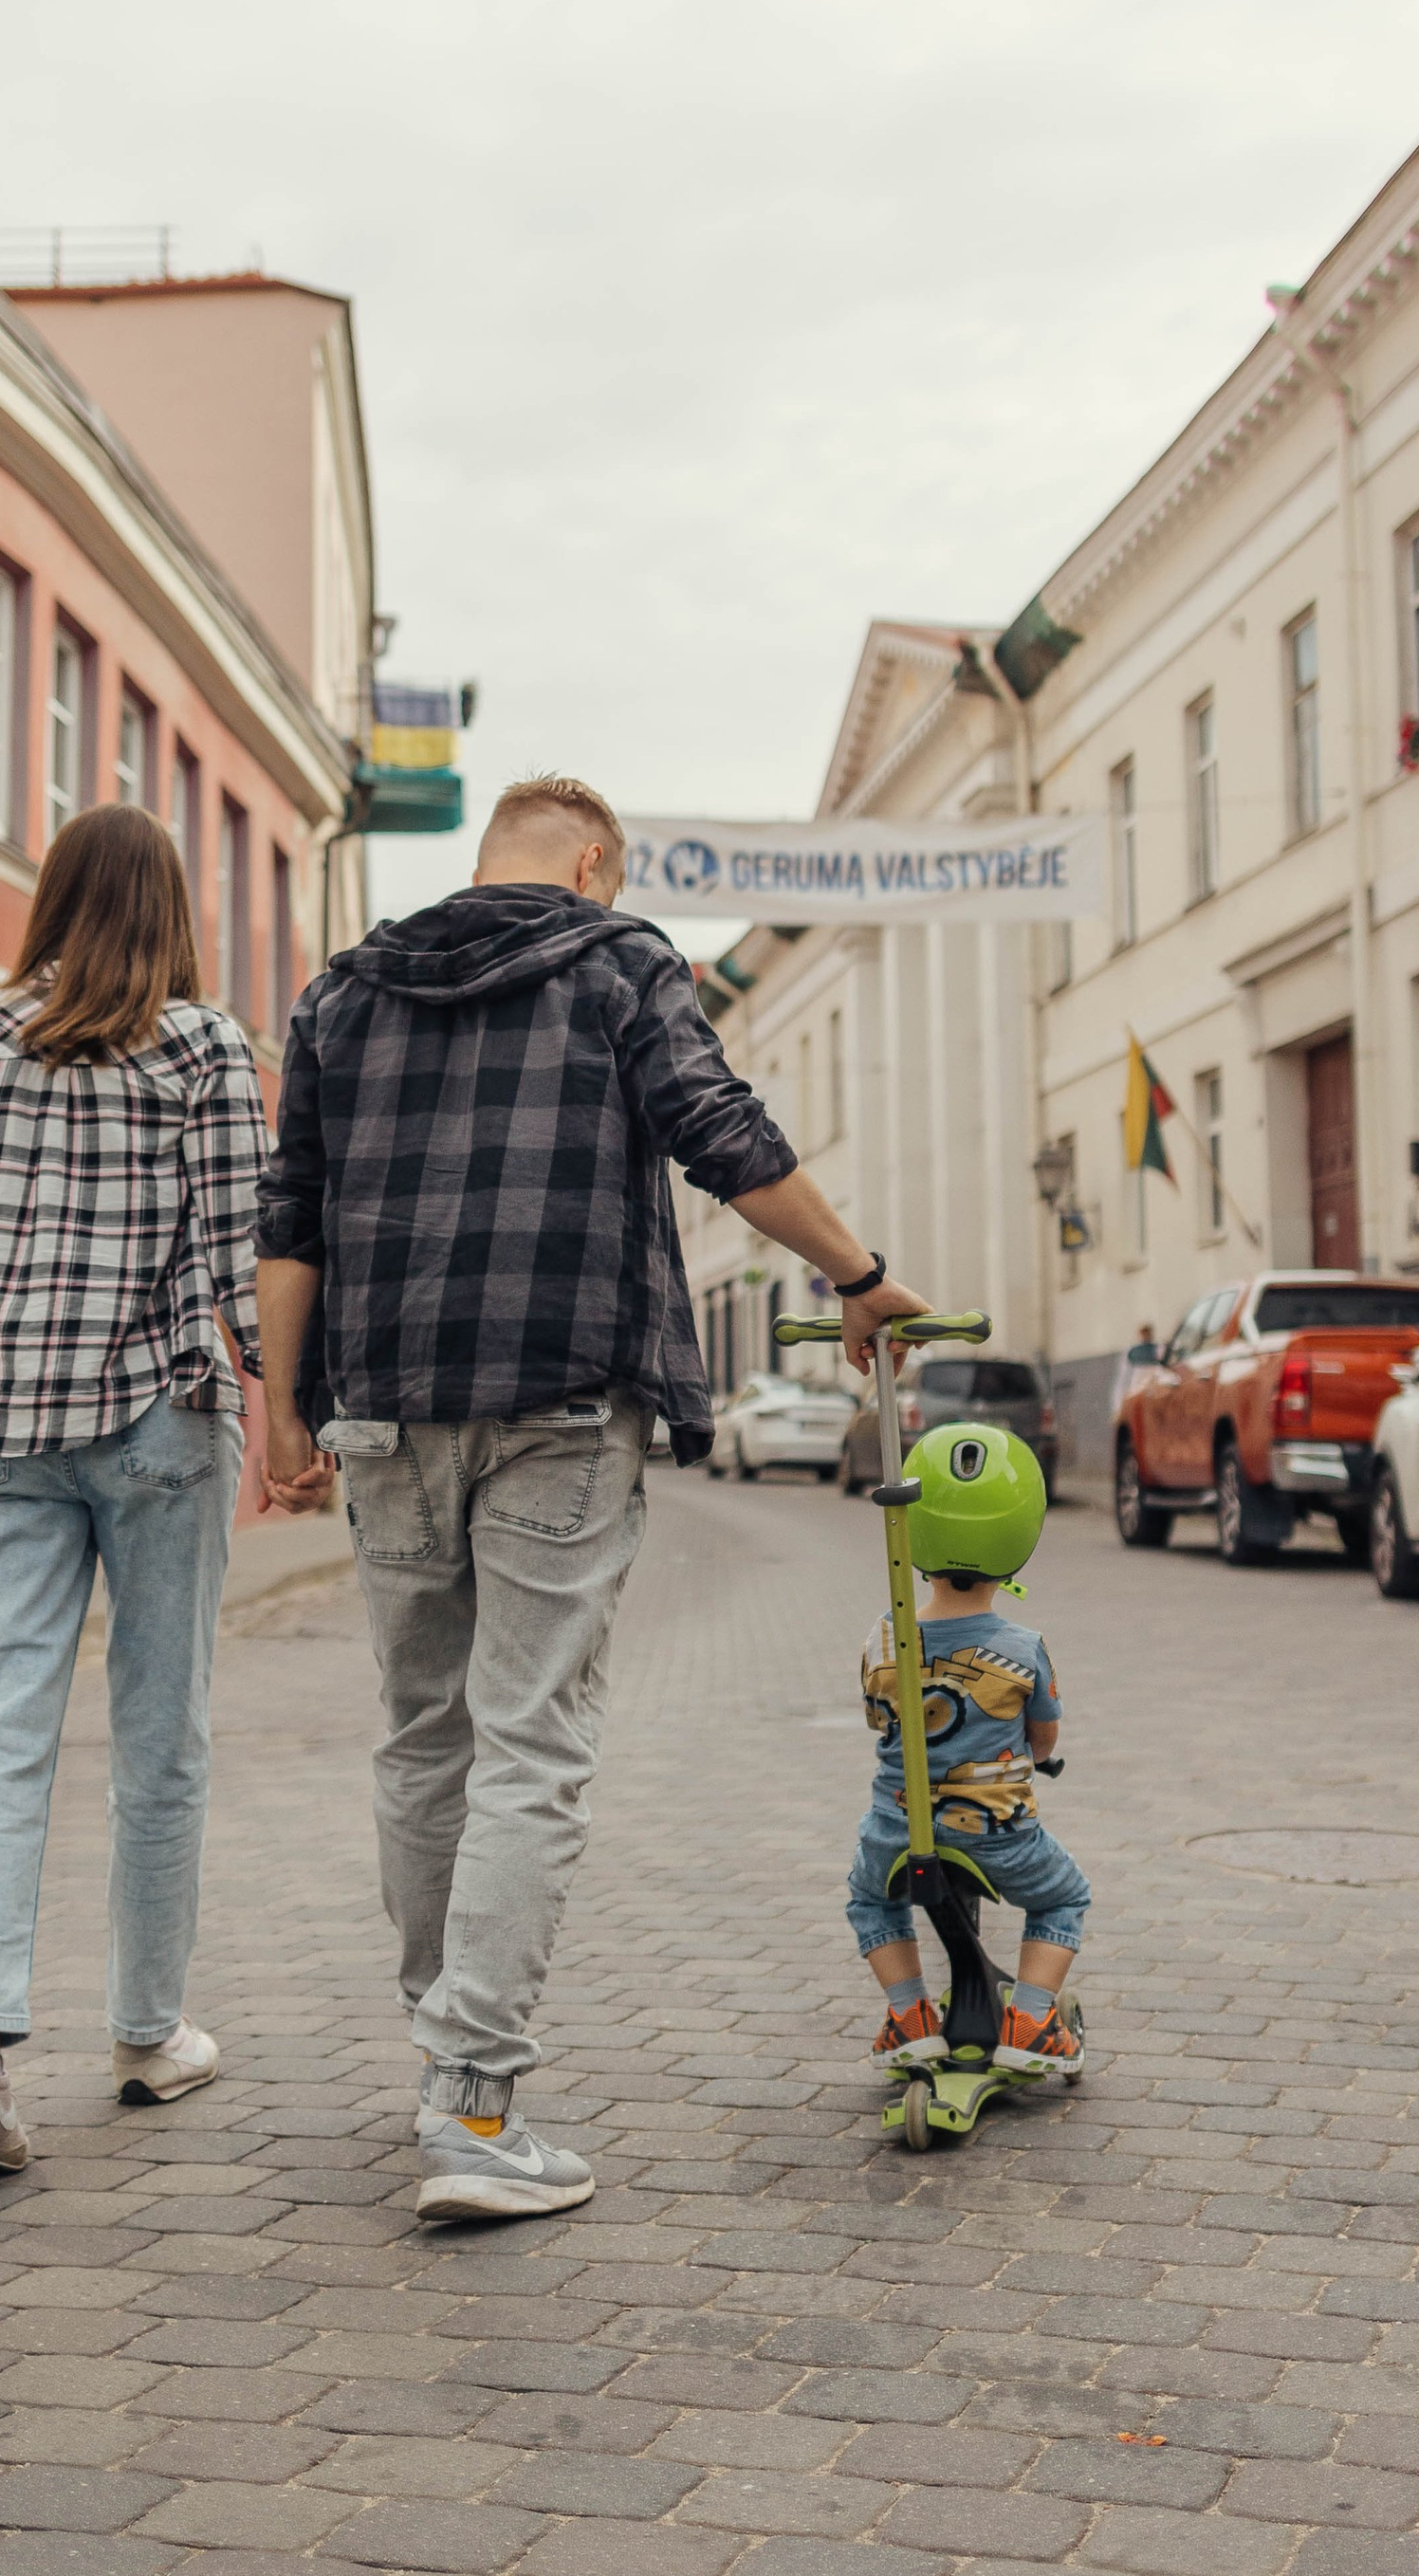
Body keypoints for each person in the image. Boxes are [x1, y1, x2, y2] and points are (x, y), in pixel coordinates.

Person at [253, 770, 927, 2221]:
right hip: (561, 1395)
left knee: (425, 1739)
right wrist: (862, 1278)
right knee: (530, 1744)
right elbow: (721, 1131)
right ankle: (475, 2102)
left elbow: (291, 1217)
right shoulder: (617, 960)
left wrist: (278, 1412)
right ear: (598, 862)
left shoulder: (341, 993)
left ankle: (449, 2044)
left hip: (381, 1404)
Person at [0, 802, 266, 2180]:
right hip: (159, 1418)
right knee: (163, 1735)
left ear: (49, 902)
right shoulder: (208, 1046)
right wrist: (294, 1412)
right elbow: (237, 1254)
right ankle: (149, 2038)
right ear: (174, 910)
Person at [850, 1423, 1090, 2078]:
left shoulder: (883, 1637)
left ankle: (910, 2015)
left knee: (869, 1898)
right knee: (1064, 1897)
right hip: (998, 1834)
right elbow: (1045, 1738)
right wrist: (1032, 1752)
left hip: (897, 1833)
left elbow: (878, 1718)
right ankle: (1034, 2019)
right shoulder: (1023, 1647)